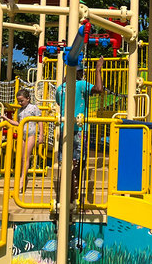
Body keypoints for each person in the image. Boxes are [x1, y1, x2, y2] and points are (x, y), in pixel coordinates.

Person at [55, 57, 105, 189]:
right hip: (79, 127)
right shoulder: (81, 84)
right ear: (77, 73)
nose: (82, 74)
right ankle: (72, 192)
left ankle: (68, 191)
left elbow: (60, 103)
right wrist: (98, 70)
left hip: (64, 127)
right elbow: (99, 89)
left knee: (66, 160)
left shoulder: (60, 88)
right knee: (78, 162)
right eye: (81, 72)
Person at [8, 87, 44, 195]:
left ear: (28, 99)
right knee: (20, 157)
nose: (20, 103)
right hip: (22, 135)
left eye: (22, 101)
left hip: (31, 135)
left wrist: (41, 134)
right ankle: (22, 176)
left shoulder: (33, 108)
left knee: (25, 157)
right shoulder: (20, 110)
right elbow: (18, 123)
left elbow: (40, 121)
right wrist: (7, 120)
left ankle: (22, 179)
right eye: (18, 101)